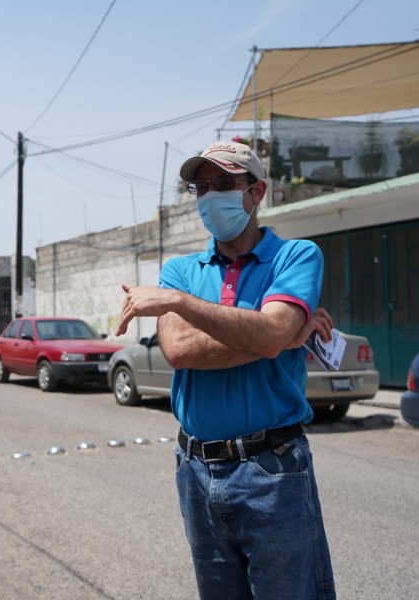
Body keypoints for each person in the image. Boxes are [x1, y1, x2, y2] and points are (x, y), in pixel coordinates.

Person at [116, 141, 336, 599]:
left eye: (224, 185)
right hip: (196, 470)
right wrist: (279, 335)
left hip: (272, 468)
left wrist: (181, 304)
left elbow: (270, 333)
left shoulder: (296, 256)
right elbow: (178, 349)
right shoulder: (180, 268)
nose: (209, 196)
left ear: (256, 192)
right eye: (201, 187)